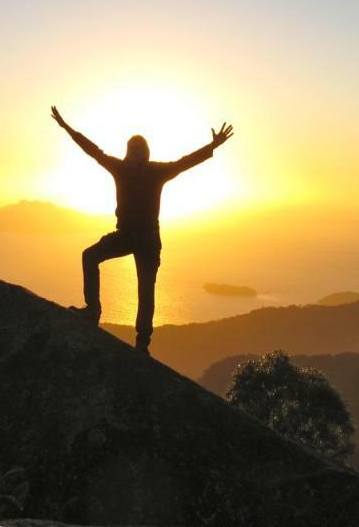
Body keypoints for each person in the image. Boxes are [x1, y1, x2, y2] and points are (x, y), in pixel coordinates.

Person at [50, 105, 234, 354]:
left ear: (145, 153)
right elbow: (92, 150)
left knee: (146, 289)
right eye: (132, 149)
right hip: (126, 235)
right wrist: (66, 127)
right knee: (89, 255)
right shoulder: (120, 168)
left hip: (148, 240)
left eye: (139, 149)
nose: (135, 152)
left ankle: (142, 343)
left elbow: (185, 162)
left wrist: (212, 146)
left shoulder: (157, 171)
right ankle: (92, 311)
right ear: (128, 153)